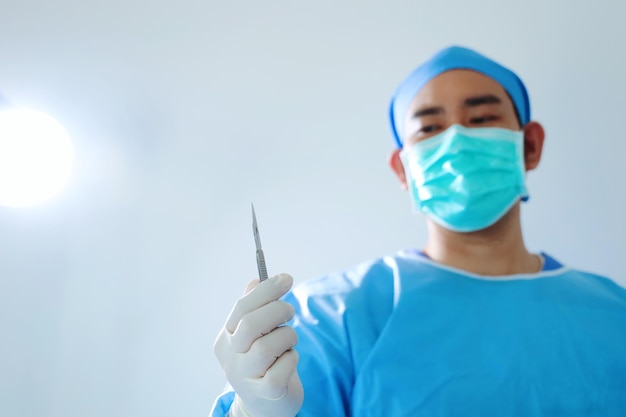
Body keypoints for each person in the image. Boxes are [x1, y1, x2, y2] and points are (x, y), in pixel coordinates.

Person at [210, 46, 626, 416]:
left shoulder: (614, 316)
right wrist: (254, 412)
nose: (458, 140)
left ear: (530, 145)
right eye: (429, 129)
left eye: (481, 118)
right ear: (404, 169)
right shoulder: (333, 318)